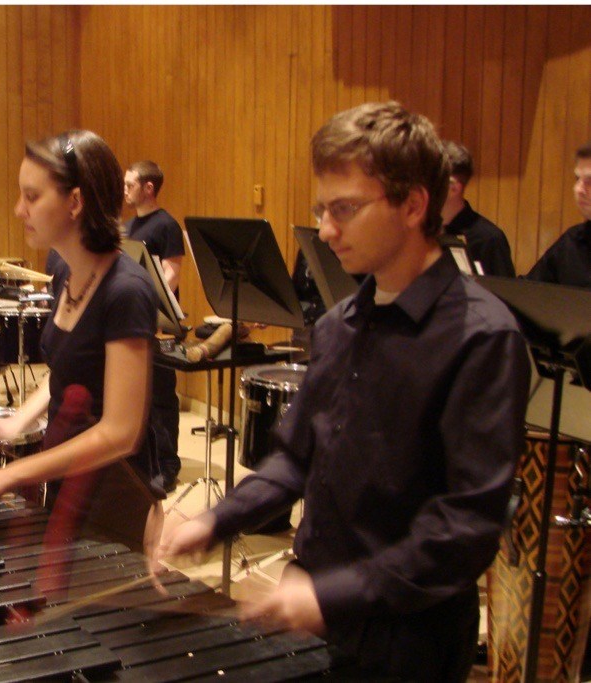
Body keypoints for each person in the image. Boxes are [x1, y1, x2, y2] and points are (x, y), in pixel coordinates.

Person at [156, 102, 531, 681]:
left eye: (345, 209)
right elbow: (296, 460)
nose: (326, 230)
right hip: (320, 612)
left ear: (413, 205)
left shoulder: (481, 338)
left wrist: (335, 593)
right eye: (321, 210)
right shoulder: (337, 326)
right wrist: (218, 519)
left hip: (410, 638)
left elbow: (467, 525)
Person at [0, 130, 165, 553]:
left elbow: (121, 432)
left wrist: (14, 473)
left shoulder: (127, 291)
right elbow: (66, 376)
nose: (19, 209)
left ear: (75, 202)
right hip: (70, 479)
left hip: (115, 495)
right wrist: (14, 424)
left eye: (31, 197)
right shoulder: (66, 272)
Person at [123, 161, 185, 491]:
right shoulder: (128, 226)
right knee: (137, 393)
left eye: (130, 184)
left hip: (158, 321)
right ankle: (145, 457)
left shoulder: (167, 225)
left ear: (149, 188)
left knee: (161, 394)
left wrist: (144, 299)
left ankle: (168, 462)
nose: (125, 190)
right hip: (134, 319)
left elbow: (171, 275)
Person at [440, 140, 515, 277]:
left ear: (454, 188)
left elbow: (505, 295)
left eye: (429, 181)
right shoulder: (421, 231)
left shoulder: (489, 239)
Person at [527, 141, 591, 287]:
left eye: (590, 181)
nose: (579, 189)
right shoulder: (572, 240)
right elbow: (529, 291)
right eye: (577, 179)